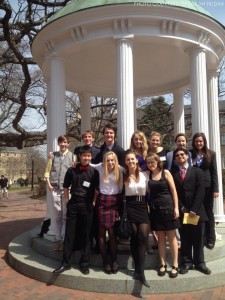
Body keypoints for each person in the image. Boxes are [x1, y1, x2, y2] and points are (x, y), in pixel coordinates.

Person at [53, 145, 99, 275]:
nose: (86, 158)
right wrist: (67, 201)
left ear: (91, 156)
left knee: (86, 234)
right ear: (80, 156)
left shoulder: (94, 172)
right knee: (69, 233)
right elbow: (66, 186)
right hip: (74, 204)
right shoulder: (71, 170)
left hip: (87, 205)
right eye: (84, 155)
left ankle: (84, 263)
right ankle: (65, 262)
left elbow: (96, 189)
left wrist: (94, 202)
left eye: (89, 156)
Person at [172, 148, 211, 275]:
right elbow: (175, 193)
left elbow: (201, 191)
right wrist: (182, 208)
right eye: (177, 155)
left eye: (182, 154)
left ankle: (200, 263)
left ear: (187, 156)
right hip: (184, 212)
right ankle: (187, 262)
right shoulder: (174, 173)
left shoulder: (197, 171)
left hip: (197, 211)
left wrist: (194, 209)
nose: (180, 156)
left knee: (199, 238)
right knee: (185, 238)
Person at [146, 153, 180, 278]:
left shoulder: (166, 173)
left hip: (168, 208)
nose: (151, 164)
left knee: (171, 238)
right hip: (155, 210)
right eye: (148, 162)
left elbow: (173, 191)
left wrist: (176, 208)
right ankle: (162, 263)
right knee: (160, 238)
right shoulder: (148, 175)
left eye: (152, 162)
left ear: (157, 162)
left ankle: (175, 264)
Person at [91, 151, 124, 274]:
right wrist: (74, 163)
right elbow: (87, 164)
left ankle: (114, 260)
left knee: (112, 233)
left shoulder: (120, 169)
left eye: (112, 160)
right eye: (108, 160)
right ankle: (105, 261)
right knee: (101, 233)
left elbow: (133, 170)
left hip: (115, 201)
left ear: (115, 161)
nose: (110, 162)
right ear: (104, 161)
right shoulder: (100, 167)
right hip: (102, 201)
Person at [44, 135, 77, 251]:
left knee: (65, 215)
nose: (63, 144)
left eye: (65, 142)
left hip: (67, 190)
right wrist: (48, 184)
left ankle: (63, 240)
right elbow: (47, 172)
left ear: (68, 144)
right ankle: (58, 239)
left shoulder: (73, 157)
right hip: (55, 189)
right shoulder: (53, 156)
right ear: (58, 144)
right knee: (57, 215)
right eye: (61, 142)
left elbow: (75, 173)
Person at [124, 149, 150, 288]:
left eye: (132, 159)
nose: (130, 161)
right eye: (128, 160)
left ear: (136, 160)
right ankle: (140, 271)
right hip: (130, 206)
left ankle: (140, 269)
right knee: (135, 235)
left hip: (142, 206)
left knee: (143, 235)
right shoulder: (123, 175)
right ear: (125, 162)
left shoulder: (144, 174)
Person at [190, 132, 219, 250]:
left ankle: (210, 238)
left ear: (204, 142)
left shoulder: (211, 153)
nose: (199, 143)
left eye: (200, 141)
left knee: (208, 212)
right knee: (195, 212)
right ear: (194, 142)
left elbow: (214, 172)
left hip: (207, 187)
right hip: (194, 187)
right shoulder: (190, 153)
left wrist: (216, 189)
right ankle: (197, 238)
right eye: (196, 141)